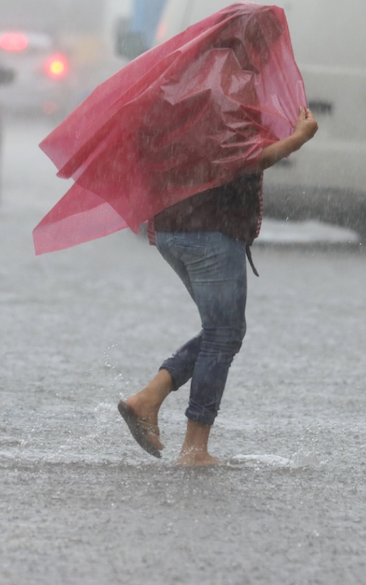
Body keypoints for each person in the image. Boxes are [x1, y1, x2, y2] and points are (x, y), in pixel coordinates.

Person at [118, 106, 318, 467]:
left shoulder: (182, 91)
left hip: (172, 224)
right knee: (223, 334)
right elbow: (247, 160)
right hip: (208, 227)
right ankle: (193, 447)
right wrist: (298, 139)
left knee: (222, 331)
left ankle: (149, 399)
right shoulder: (227, 92)